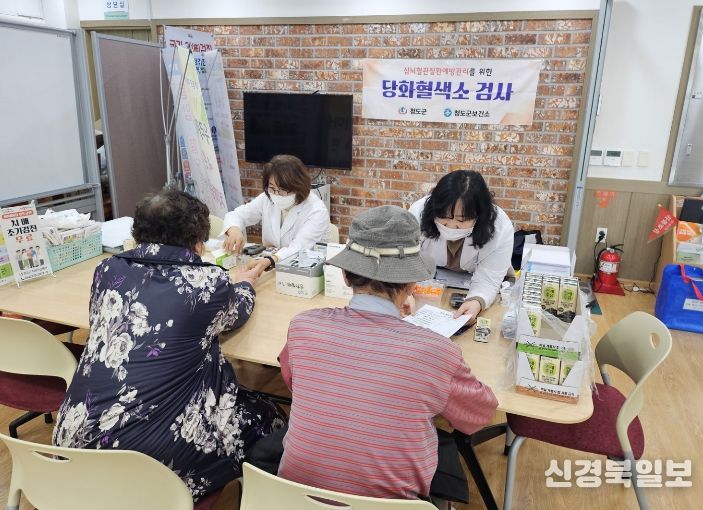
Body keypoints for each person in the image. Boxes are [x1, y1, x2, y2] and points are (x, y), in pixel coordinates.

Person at [53, 188, 285, 500]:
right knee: (268, 416)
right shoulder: (208, 283)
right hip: (148, 466)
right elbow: (237, 313)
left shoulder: (107, 270)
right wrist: (243, 284)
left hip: (74, 441)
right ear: (198, 240)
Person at [277, 205, 498, 503]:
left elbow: (294, 381)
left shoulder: (304, 327)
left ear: (345, 275)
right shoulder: (435, 351)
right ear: (412, 284)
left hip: (289, 500)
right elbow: (478, 415)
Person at [409, 170, 514, 323]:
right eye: (444, 219)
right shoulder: (418, 213)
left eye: (461, 221)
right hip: (432, 281)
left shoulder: (500, 226)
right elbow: (405, 261)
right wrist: (404, 292)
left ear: (479, 215)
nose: (451, 226)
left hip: (474, 279)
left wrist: (476, 301)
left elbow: (489, 278)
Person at [222, 154, 329, 272]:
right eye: (272, 187)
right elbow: (236, 215)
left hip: (305, 270)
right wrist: (234, 229)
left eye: (283, 189)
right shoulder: (268, 198)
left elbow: (299, 247)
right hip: (270, 265)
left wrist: (271, 260)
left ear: (298, 186)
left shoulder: (316, 210)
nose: (277, 194)